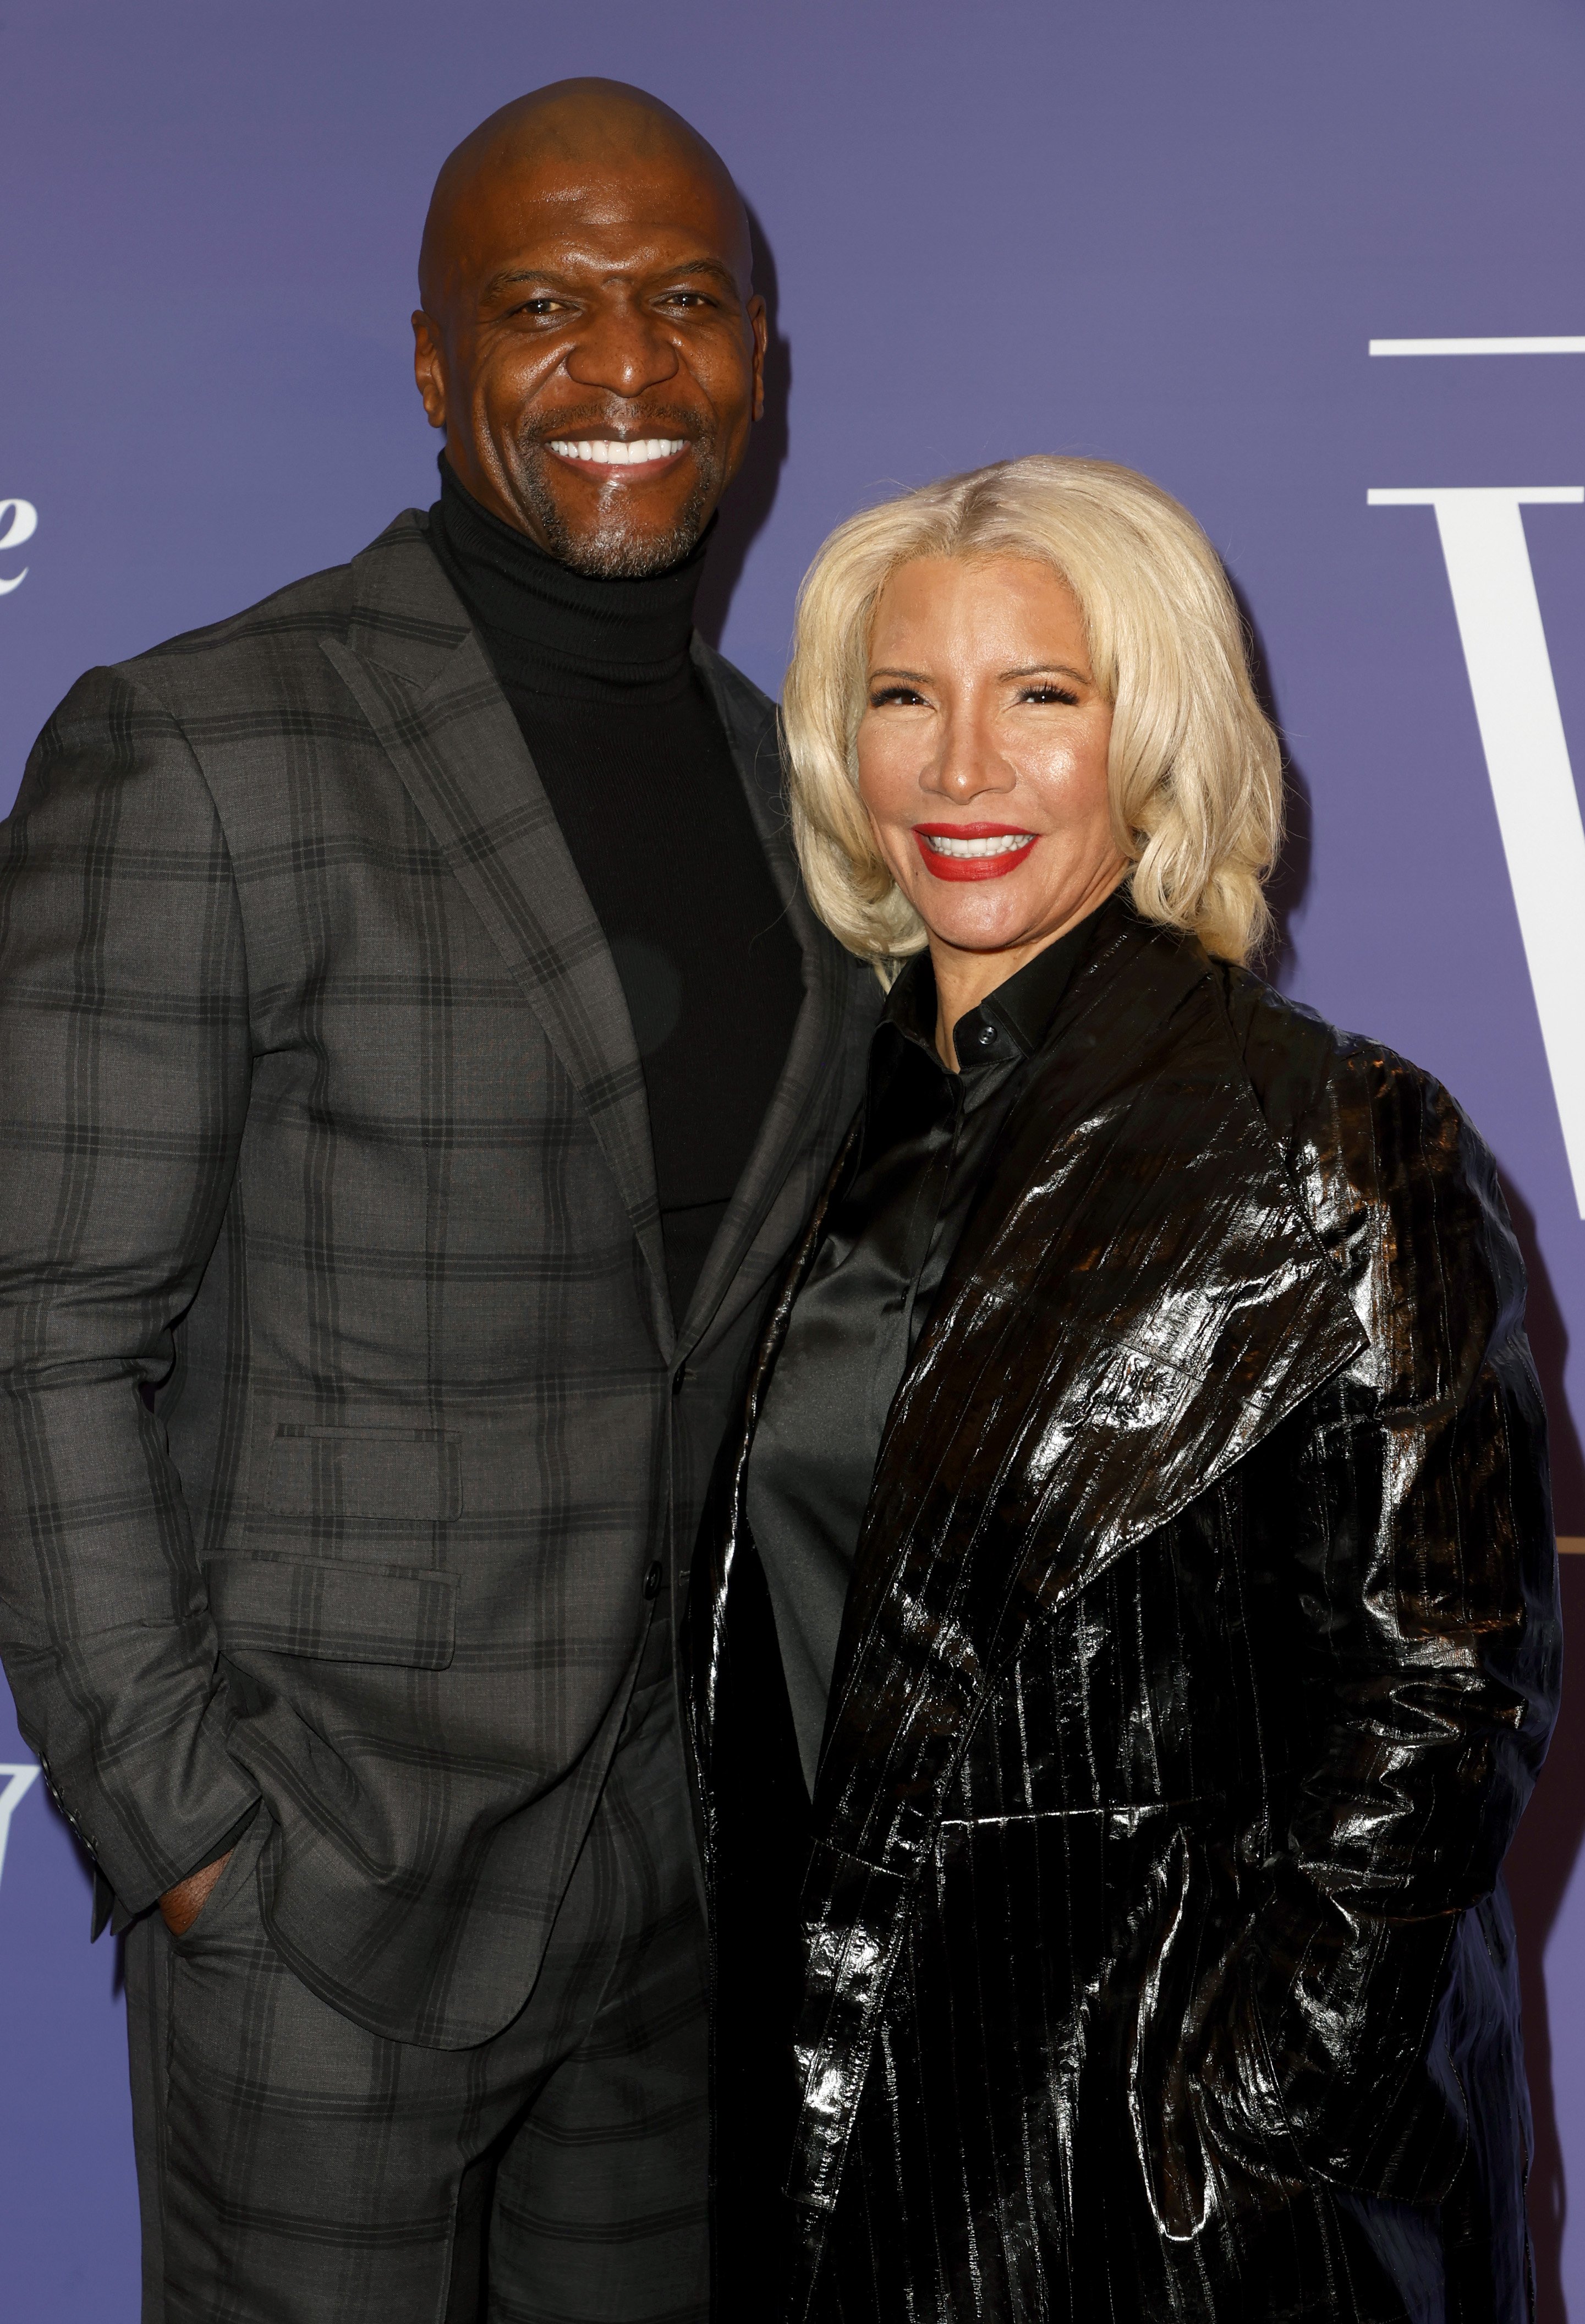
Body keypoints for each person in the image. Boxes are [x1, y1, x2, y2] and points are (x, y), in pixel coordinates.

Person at [0, 78, 876, 2324]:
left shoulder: (793, 794)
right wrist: (189, 1837)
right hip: (326, 1897)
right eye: (542, 307)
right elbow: (41, 1332)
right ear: (429, 364)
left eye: (686, 304)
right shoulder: (203, 747)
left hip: (672, 1906)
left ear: (759, 361)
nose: (622, 368)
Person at [689, 454, 1560, 2322]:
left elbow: (1451, 1680)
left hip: (1163, 2199)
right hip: (830, 2146)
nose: (960, 767)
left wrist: (1241, 2121)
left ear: (1153, 736)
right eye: (904, 698)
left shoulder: (1331, 1134)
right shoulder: (819, 1137)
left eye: (1043, 699)